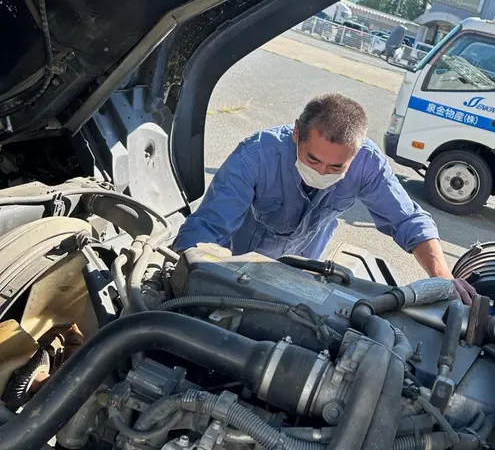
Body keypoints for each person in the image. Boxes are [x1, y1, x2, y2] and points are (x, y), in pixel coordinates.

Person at [173, 93, 477, 303]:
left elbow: (408, 220)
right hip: (234, 270)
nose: (321, 171)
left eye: (336, 167)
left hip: (300, 275)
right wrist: (184, 273)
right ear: (296, 133)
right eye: (313, 159)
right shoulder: (256, 156)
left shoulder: (367, 164)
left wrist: (443, 279)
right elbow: (207, 227)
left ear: (355, 156)